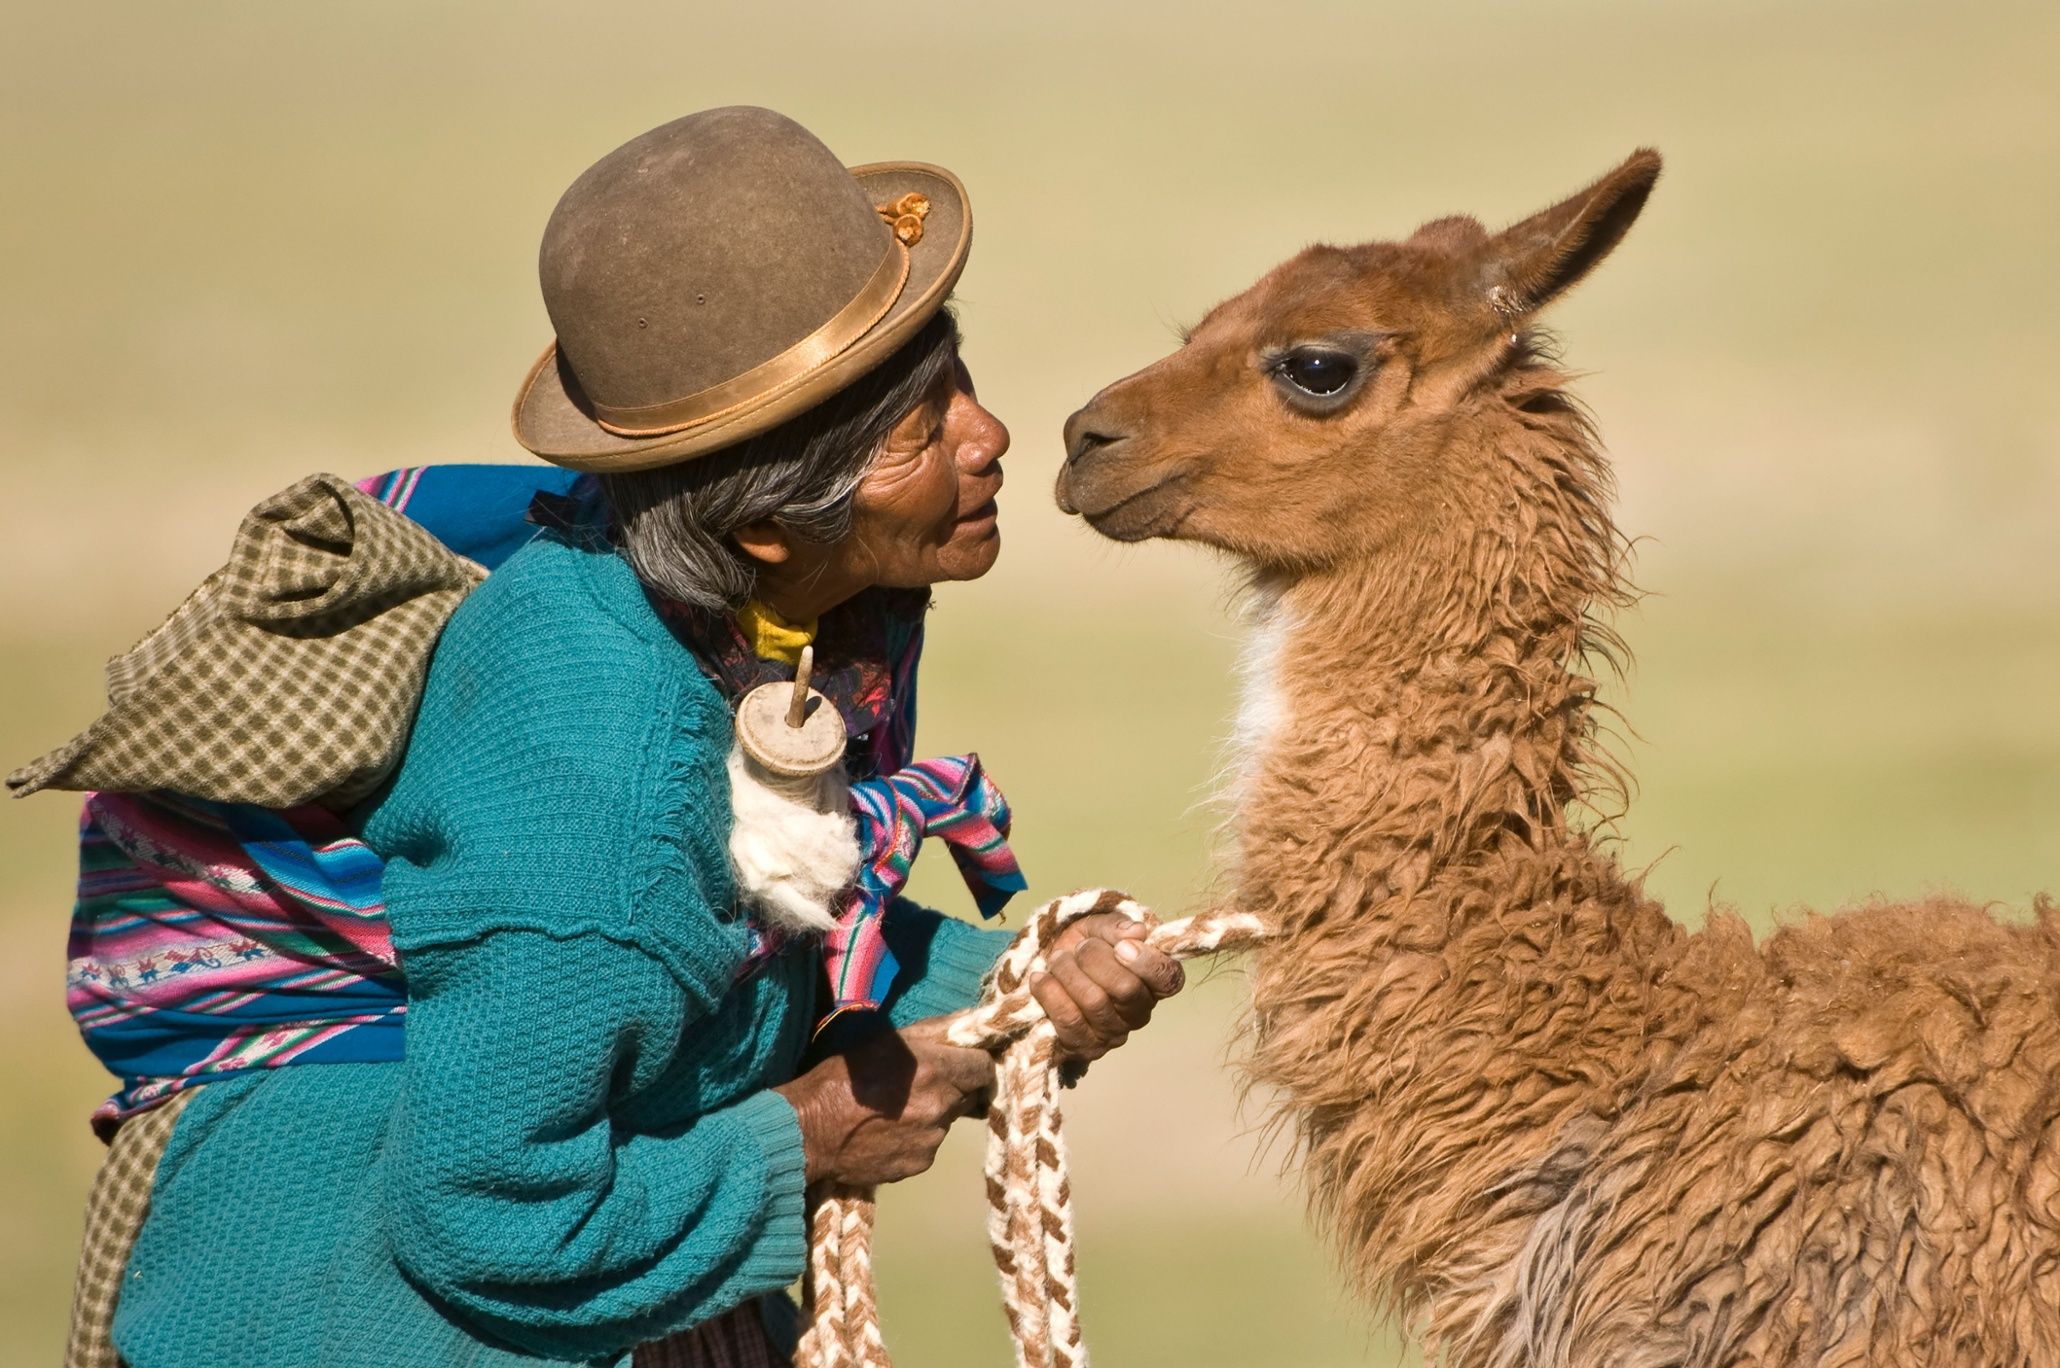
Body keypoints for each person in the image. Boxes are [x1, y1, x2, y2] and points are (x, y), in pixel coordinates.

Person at [47, 107, 1185, 1367]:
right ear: (765, 525)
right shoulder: (603, 778)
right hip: (364, 1309)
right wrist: (802, 1137)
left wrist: (1013, 981)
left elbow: (735, 926)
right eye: (915, 435)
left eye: (950, 375)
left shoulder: (753, 620)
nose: (988, 439)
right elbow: (493, 1217)